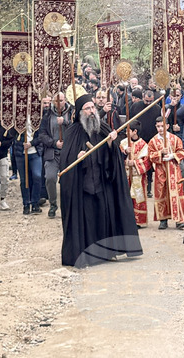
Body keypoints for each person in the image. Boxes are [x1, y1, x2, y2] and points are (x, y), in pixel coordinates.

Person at [58, 95, 143, 267]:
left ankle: (106, 252)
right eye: (87, 109)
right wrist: (77, 158)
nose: (91, 111)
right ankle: (87, 254)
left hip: (103, 183)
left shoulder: (103, 128)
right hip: (83, 187)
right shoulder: (72, 132)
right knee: (87, 220)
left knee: (104, 217)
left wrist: (112, 144)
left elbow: (114, 159)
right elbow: (65, 162)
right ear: (79, 112)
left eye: (92, 108)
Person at [34, 92, 73, 218]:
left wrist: (66, 123)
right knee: (50, 178)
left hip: (68, 153)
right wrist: (54, 143)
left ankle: (67, 206)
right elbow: (42, 134)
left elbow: (77, 130)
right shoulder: (47, 114)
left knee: (67, 181)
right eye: (56, 101)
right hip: (52, 153)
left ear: (65, 100)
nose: (59, 103)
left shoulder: (72, 112)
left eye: (61, 100)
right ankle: (53, 204)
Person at [145, 114, 184, 230]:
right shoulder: (153, 141)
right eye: (158, 126)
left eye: (162, 126)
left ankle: (180, 221)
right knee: (161, 193)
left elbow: (182, 152)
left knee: (177, 194)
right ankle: (163, 220)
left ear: (167, 126)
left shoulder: (175, 139)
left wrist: (173, 155)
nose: (160, 129)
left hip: (174, 170)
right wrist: (160, 153)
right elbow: (150, 156)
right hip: (160, 171)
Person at [121, 120, 149, 228]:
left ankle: (138, 220)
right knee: (126, 196)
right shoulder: (123, 143)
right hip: (125, 173)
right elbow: (117, 157)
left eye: (129, 131)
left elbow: (147, 161)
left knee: (138, 197)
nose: (127, 133)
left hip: (137, 175)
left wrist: (135, 163)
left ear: (135, 131)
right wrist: (125, 157)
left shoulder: (143, 145)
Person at [16, 116, 44, 214]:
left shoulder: (38, 115)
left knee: (37, 176)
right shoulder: (16, 116)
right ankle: (26, 204)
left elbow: (42, 135)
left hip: (35, 152)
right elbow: (10, 134)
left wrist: (31, 143)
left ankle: (35, 202)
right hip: (20, 153)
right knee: (24, 180)